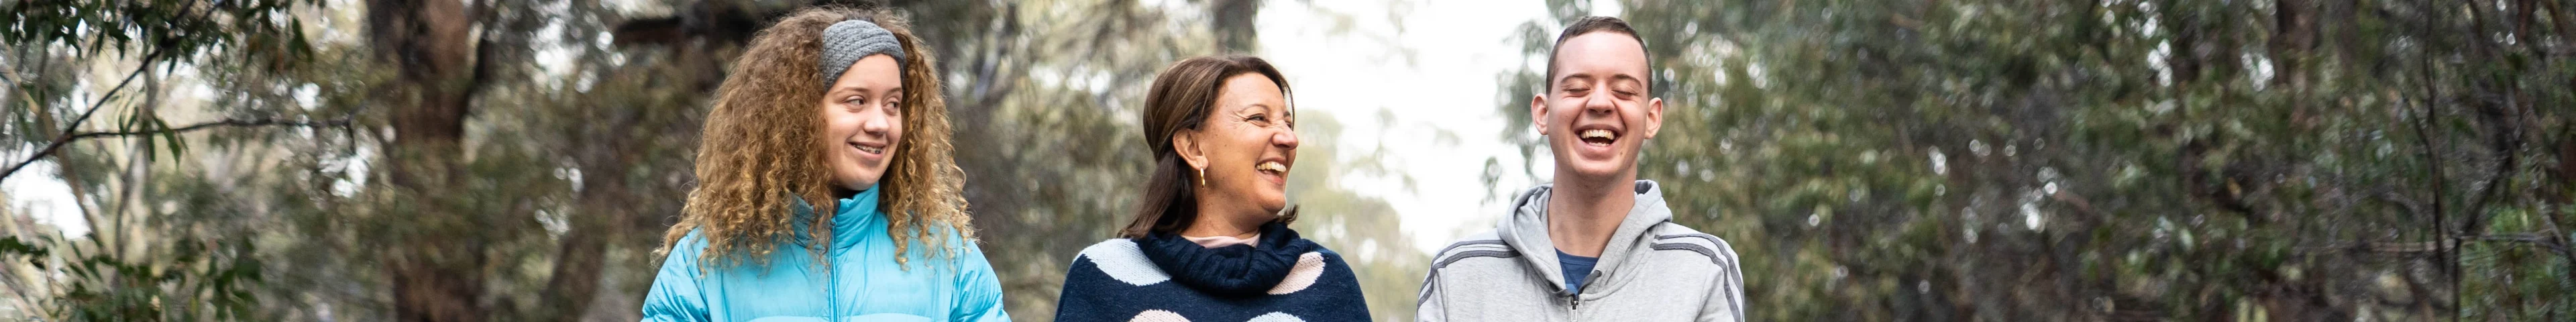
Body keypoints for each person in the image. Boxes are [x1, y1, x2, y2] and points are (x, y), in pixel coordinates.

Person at [639, 6, 1006, 322]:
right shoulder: (705, 263)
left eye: (893, 104)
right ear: (795, 115)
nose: (880, 123)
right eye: (856, 101)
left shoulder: (948, 258)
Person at [1416, 16, 1747, 321]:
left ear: (1651, 117)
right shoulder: (1458, 276)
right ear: (1543, 113)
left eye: (1624, 91)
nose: (1600, 103)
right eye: (1577, 88)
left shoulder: (1704, 270)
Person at [1052, 56, 1371, 322]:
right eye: (1259, 118)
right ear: (1193, 147)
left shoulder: (1327, 281)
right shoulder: (1103, 277)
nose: (1290, 138)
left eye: (1287, 123)